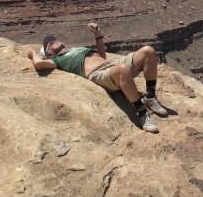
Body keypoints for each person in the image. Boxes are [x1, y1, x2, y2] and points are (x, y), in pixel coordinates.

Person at [27, 22, 167, 133]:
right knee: (123, 70)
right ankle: (142, 113)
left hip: (111, 65)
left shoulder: (77, 49)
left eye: (54, 40)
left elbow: (102, 56)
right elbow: (39, 65)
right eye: (49, 44)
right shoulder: (57, 60)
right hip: (99, 75)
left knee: (148, 51)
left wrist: (97, 35)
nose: (54, 41)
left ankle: (150, 96)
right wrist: (34, 54)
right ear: (49, 53)